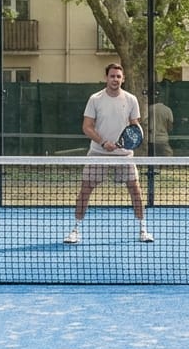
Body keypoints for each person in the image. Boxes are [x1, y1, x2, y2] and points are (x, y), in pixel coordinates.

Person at [64, 63, 154, 244]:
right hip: (98, 153)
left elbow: (134, 126)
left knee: (135, 190)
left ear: (123, 78)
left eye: (118, 76)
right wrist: (103, 143)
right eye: (112, 76)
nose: (115, 79)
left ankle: (143, 229)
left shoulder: (131, 100)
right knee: (85, 190)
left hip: (124, 155)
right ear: (106, 78)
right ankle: (75, 230)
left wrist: (126, 142)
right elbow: (87, 127)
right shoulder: (95, 99)